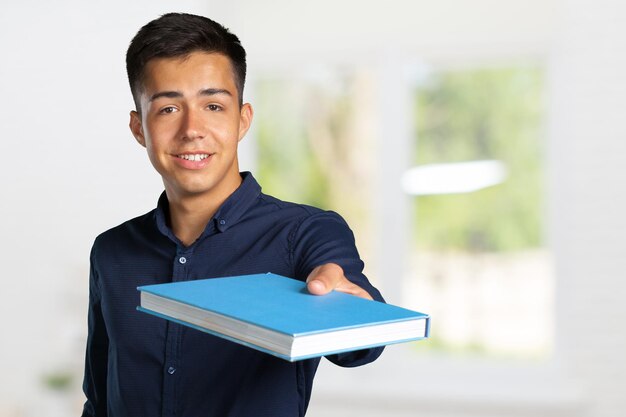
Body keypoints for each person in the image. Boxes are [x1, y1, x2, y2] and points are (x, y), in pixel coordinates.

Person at [82, 12, 384, 417]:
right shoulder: (112, 251)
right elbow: (99, 401)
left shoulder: (304, 233)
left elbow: (362, 345)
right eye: (168, 109)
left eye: (213, 105)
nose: (193, 129)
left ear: (242, 120)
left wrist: (347, 305)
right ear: (140, 128)